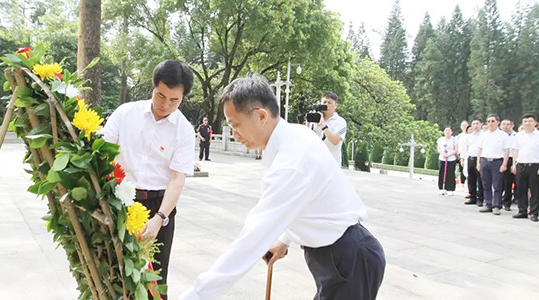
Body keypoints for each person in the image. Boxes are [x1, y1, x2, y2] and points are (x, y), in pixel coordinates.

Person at [180, 75, 385, 300]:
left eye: (235, 125)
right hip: (339, 256)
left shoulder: (291, 162)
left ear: (261, 116)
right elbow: (305, 200)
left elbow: (251, 240)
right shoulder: (296, 134)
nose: (234, 133)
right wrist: (285, 239)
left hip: (349, 262)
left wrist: (195, 296)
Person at [102, 59, 195, 297]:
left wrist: (159, 219)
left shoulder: (184, 130)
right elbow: (102, 152)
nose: (165, 104)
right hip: (119, 201)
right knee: (112, 271)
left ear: (183, 97)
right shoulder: (126, 113)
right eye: (160, 95)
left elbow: (176, 179)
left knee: (155, 279)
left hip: (158, 207)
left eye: (174, 100)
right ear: (152, 87)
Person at [477, 114, 510, 215]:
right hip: (484, 161)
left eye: (492, 121)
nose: (490, 123)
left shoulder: (503, 135)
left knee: (497, 185)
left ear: (498, 122)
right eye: (488, 121)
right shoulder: (483, 134)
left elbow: (507, 151)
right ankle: (488, 204)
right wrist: (478, 162)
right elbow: (480, 149)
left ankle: (496, 205)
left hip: (497, 162)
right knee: (486, 184)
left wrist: (504, 164)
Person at [511, 114, 539, 222]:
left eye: (530, 121)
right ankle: (522, 211)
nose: (527, 123)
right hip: (521, 165)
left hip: (535, 166)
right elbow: (515, 150)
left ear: (535, 123)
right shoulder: (518, 136)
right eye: (525, 121)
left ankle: (534, 212)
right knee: (521, 189)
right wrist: (514, 164)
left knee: (535, 190)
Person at [310, 92, 347, 166]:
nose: (326, 105)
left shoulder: (340, 121)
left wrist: (323, 126)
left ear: (335, 105)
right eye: (324, 102)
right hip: (315, 162)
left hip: (332, 163)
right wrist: (308, 122)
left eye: (329, 103)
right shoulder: (315, 119)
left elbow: (335, 141)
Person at [463, 119, 485, 206]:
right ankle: (473, 197)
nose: (475, 125)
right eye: (473, 124)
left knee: (480, 179)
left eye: (477, 123)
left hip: (479, 158)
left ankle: (480, 198)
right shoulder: (468, 136)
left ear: (481, 124)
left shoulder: (484, 135)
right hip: (470, 158)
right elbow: (467, 147)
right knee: (471, 179)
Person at [500, 119, 516, 210]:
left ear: (512, 125)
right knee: (497, 182)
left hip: (511, 159)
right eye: (504, 124)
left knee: (508, 183)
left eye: (508, 124)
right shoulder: (498, 135)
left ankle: (507, 203)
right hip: (499, 159)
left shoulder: (516, 135)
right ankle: (496, 201)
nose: (506, 126)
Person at [437, 126, 458, 196]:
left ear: (451, 132)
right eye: (446, 130)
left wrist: (449, 154)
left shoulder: (454, 139)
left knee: (450, 174)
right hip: (442, 158)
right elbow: (439, 148)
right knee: (441, 173)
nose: (447, 132)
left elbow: (456, 150)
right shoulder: (440, 139)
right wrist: (443, 154)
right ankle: (441, 188)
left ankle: (450, 189)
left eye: (449, 130)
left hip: (451, 158)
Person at [457, 120, 469, 192]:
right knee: (461, 170)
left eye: (465, 125)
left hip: (468, 154)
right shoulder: (459, 136)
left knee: (468, 170)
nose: (464, 127)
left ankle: (468, 185)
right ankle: (462, 185)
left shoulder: (469, 135)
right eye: (463, 125)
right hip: (460, 154)